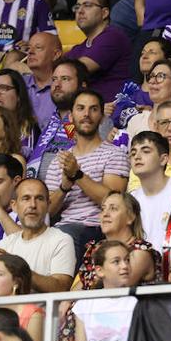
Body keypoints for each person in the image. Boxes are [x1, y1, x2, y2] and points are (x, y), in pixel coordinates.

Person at [44, 89, 129, 256]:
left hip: (95, 228)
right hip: (62, 229)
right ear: (70, 116)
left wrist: (78, 175)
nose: (87, 114)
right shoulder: (59, 160)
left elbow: (113, 201)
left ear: (102, 117)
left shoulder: (115, 154)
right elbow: (48, 211)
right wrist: (64, 187)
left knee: (63, 238)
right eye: (80, 108)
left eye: (94, 109)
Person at [0, 179, 76, 293]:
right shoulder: (5, 244)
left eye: (39, 199)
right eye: (26, 198)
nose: (33, 205)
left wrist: (18, 269)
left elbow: (61, 287)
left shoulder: (61, 240)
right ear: (14, 206)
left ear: (48, 205)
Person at [72, 241, 135, 341]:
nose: (124, 266)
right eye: (116, 262)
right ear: (100, 270)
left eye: (127, 260)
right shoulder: (85, 304)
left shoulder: (138, 303)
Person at [65, 0, 131, 101]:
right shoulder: (78, 49)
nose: (80, 11)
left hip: (116, 110)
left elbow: (76, 69)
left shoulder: (113, 36)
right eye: (77, 6)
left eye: (87, 5)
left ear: (104, 13)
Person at [128, 131, 171, 252]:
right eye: (133, 153)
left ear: (163, 159)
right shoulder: (131, 199)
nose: (137, 156)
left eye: (146, 151)